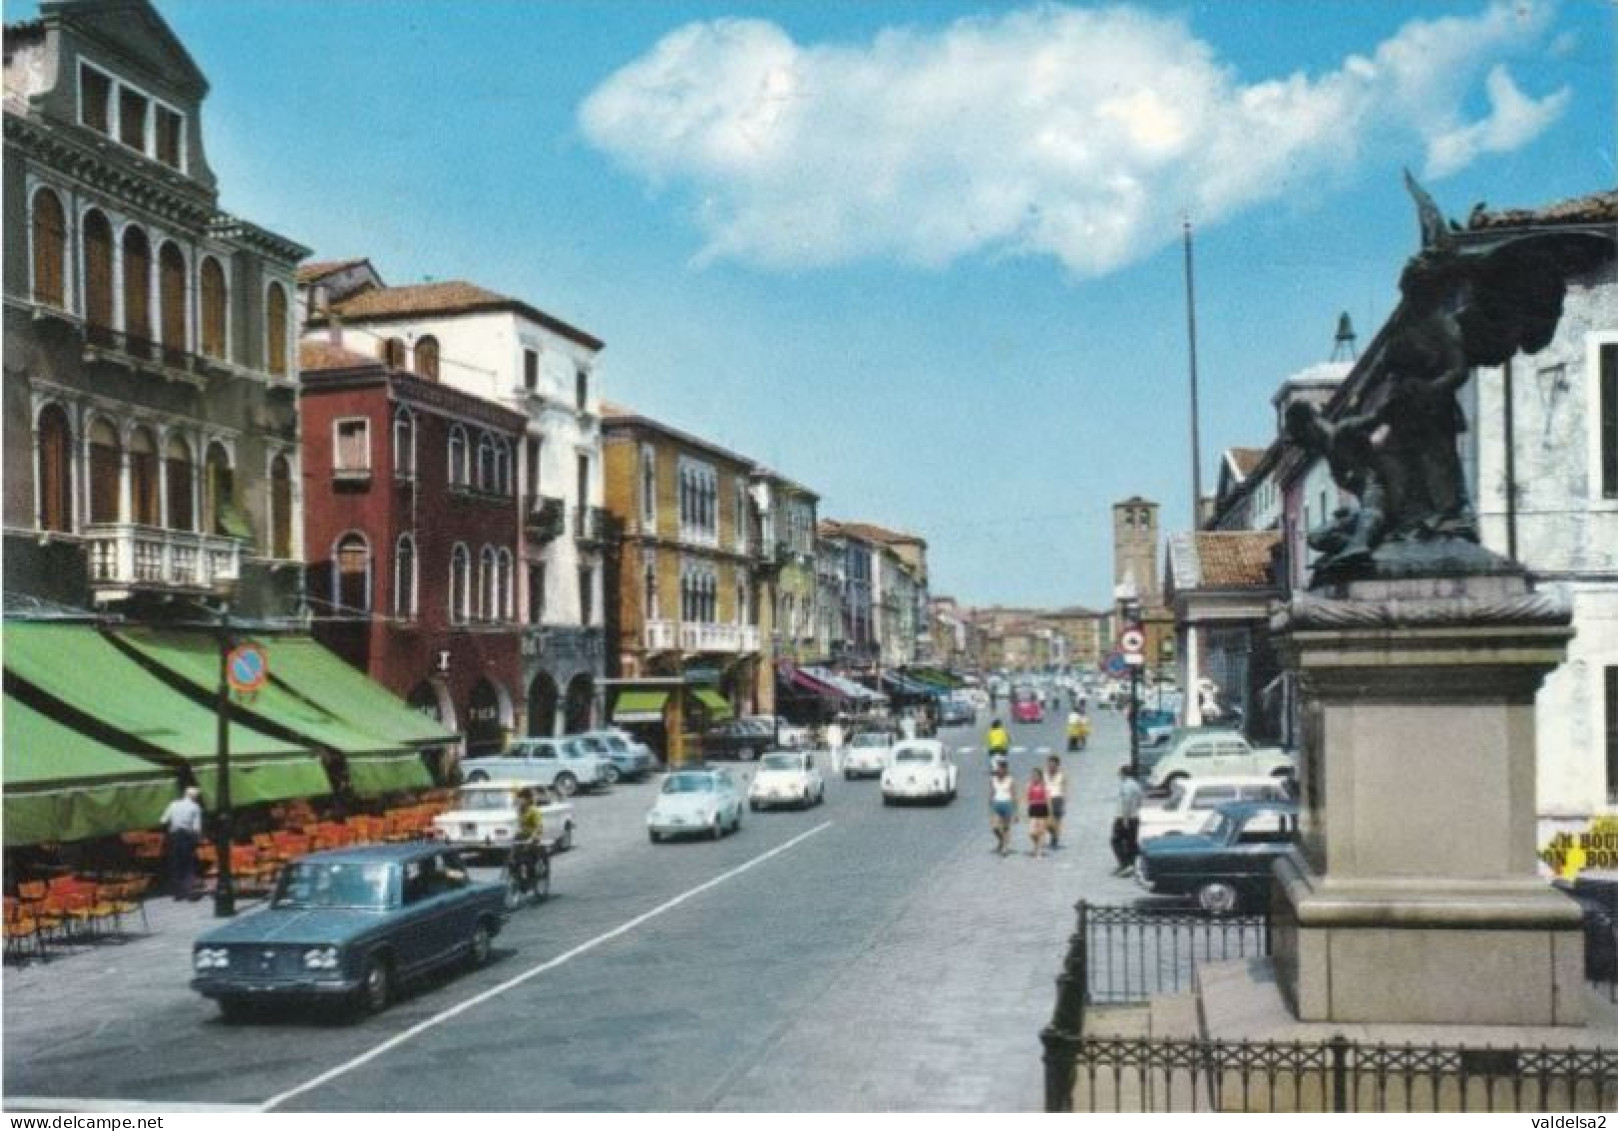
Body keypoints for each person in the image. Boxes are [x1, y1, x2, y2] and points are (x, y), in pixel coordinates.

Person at [160, 786, 204, 900]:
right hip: (186, 836)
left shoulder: (173, 804)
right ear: (194, 796)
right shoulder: (195, 807)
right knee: (188, 864)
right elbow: (196, 827)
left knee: (175, 863)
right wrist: (198, 840)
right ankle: (189, 891)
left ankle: (177, 893)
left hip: (173, 836)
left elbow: (163, 820)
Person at [511, 787, 545, 894]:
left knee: (527, 861)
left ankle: (531, 880)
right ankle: (518, 878)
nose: (519, 801)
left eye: (521, 799)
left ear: (527, 799)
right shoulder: (519, 810)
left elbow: (539, 827)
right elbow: (520, 826)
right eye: (518, 799)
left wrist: (532, 838)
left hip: (533, 837)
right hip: (522, 837)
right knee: (513, 859)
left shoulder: (534, 811)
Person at [1111, 766, 1145, 874]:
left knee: (1115, 841)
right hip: (1134, 817)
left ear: (1124, 774)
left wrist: (1125, 818)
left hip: (1124, 818)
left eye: (1120, 773)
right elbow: (1140, 800)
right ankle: (1132, 864)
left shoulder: (1126, 785)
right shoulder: (1136, 785)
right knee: (1131, 842)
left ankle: (1125, 864)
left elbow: (1126, 802)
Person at [989, 758, 1017, 857]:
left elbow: (1013, 795)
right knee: (994, 827)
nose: (998, 770)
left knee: (1006, 828)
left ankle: (1005, 847)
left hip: (1007, 804)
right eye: (998, 768)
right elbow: (992, 792)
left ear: (1005, 769)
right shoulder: (993, 779)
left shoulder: (1010, 780)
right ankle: (1001, 840)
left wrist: (1015, 811)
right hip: (996, 803)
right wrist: (990, 805)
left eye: (1000, 768)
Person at [1025, 766, 1050, 858]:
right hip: (1033, 808)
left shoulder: (1044, 786)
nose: (1034, 777)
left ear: (1040, 776)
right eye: (1033, 775)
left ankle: (1039, 851)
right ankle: (1036, 845)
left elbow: (1047, 799)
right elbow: (1027, 798)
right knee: (1032, 832)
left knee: (1041, 831)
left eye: (1036, 775)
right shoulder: (1029, 785)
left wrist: (1049, 813)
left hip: (1042, 808)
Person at [1045, 755, 1067, 849]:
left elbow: (1064, 790)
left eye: (1053, 765)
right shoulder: (1044, 775)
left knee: (1057, 821)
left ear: (1057, 765)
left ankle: (1055, 838)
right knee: (1047, 823)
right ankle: (1054, 834)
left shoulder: (1061, 776)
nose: (1050, 766)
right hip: (1046, 799)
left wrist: (1063, 802)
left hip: (1057, 799)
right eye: (1049, 764)